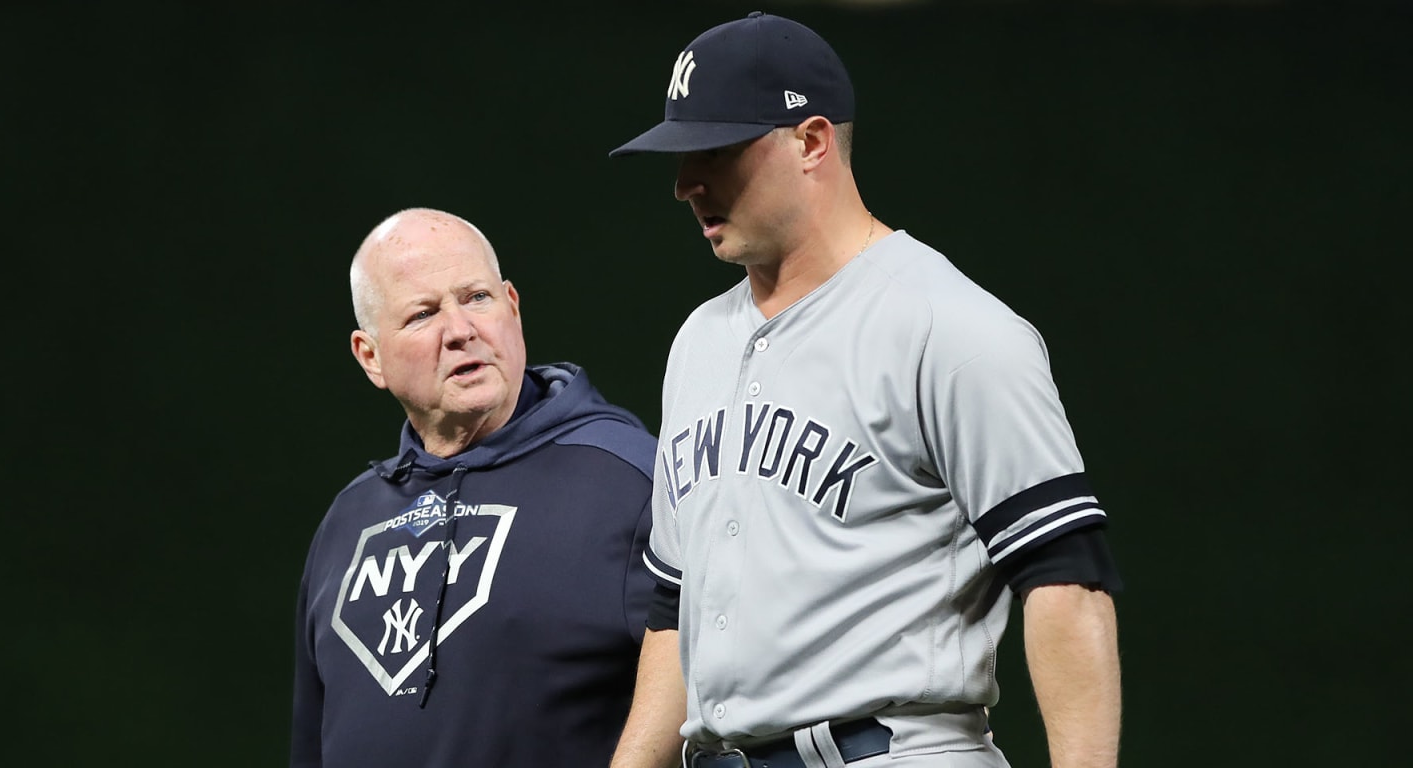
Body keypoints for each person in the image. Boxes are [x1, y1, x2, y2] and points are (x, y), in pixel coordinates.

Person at [605, 12, 1122, 768]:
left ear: (811, 142)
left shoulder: (948, 327)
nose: (687, 184)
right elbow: (672, 609)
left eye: (714, 151)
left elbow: (1065, 581)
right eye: (681, 157)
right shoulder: (698, 342)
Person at [290, 208, 658, 767]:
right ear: (371, 357)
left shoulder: (629, 477)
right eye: (422, 314)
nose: (460, 330)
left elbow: (717, 701)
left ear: (513, 305)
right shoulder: (350, 518)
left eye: (477, 298)